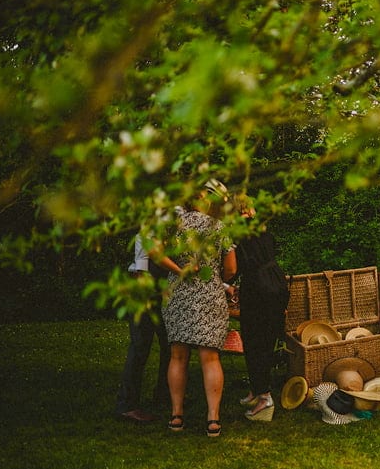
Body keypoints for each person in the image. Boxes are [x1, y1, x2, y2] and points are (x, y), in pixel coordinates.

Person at [157, 179, 237, 437]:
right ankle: (213, 419)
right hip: (209, 293)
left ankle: (176, 416)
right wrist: (216, 275)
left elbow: (157, 254)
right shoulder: (218, 227)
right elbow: (232, 268)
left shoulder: (175, 226)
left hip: (178, 293)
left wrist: (180, 271)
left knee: (178, 355)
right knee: (210, 358)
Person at [226, 194, 290, 422]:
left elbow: (232, 268)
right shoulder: (260, 226)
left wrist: (225, 283)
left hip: (258, 287)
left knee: (255, 341)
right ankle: (257, 389)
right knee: (267, 339)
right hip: (277, 282)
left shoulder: (235, 232)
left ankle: (264, 399)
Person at [115, 234, 171, 423]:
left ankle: (164, 394)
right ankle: (127, 405)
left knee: (170, 343)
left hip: (162, 289)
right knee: (140, 345)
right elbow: (142, 261)